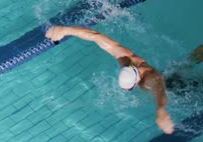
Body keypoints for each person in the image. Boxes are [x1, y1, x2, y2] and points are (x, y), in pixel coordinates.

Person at [46, 26, 175, 134]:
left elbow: (160, 91)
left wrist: (161, 110)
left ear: (137, 80)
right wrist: (65, 30)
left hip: (175, 88)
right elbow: (95, 36)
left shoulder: (149, 79)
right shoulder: (125, 58)